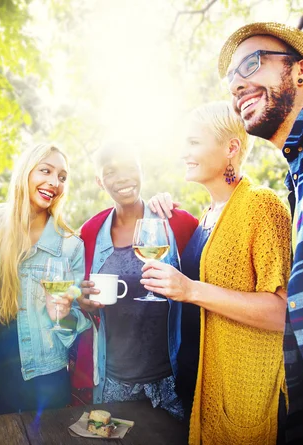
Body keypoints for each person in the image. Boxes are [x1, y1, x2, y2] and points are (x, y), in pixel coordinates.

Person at [219, 22, 303, 444]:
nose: (238, 85)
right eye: (230, 83)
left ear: (301, 71)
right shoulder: (297, 177)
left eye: (251, 64)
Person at [142, 101, 291, 444]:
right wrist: (154, 208)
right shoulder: (206, 215)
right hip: (197, 385)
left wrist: (191, 290)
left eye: (193, 143)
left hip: (243, 396)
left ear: (231, 147)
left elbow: (282, 313)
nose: (184, 153)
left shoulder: (262, 204)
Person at [75, 142, 197, 419]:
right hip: (114, 379)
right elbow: (84, 297)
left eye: (131, 167)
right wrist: (86, 303)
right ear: (99, 180)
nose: (123, 178)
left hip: (172, 380)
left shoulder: (176, 222)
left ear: (142, 170)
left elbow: (202, 293)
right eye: (111, 171)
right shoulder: (91, 231)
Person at [0, 143, 91, 416]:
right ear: (26, 172)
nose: (54, 182)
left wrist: (62, 315)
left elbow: (75, 326)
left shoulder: (70, 245)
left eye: (62, 177)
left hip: (43, 377)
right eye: (46, 171)